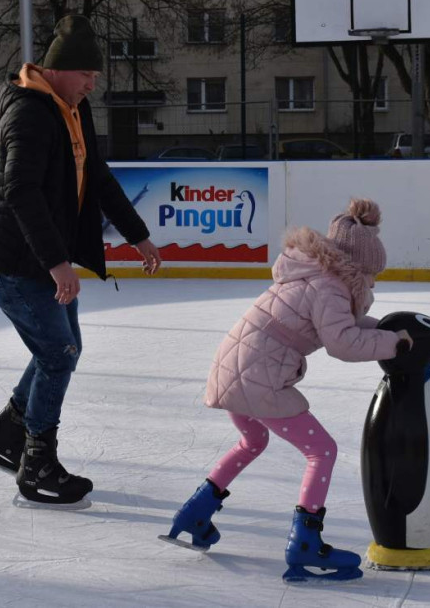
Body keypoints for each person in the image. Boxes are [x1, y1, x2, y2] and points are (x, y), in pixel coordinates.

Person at [162, 198, 413, 582]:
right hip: (257, 377)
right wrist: (394, 345)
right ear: (355, 267)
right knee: (322, 450)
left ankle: (195, 513)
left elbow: (346, 322)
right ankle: (306, 545)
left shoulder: (312, 275)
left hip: (233, 365)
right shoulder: (330, 286)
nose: (374, 282)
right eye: (371, 273)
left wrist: (385, 330)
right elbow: (342, 342)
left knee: (252, 442)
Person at [0, 14, 161, 507]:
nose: (93, 85)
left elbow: (97, 177)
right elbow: (20, 191)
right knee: (59, 354)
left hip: (39, 260)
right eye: (87, 75)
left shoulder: (72, 108)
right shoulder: (31, 113)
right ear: (59, 70)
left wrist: (137, 235)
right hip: (15, 263)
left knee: (64, 347)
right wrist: (58, 263)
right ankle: (36, 465)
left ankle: (6, 436)